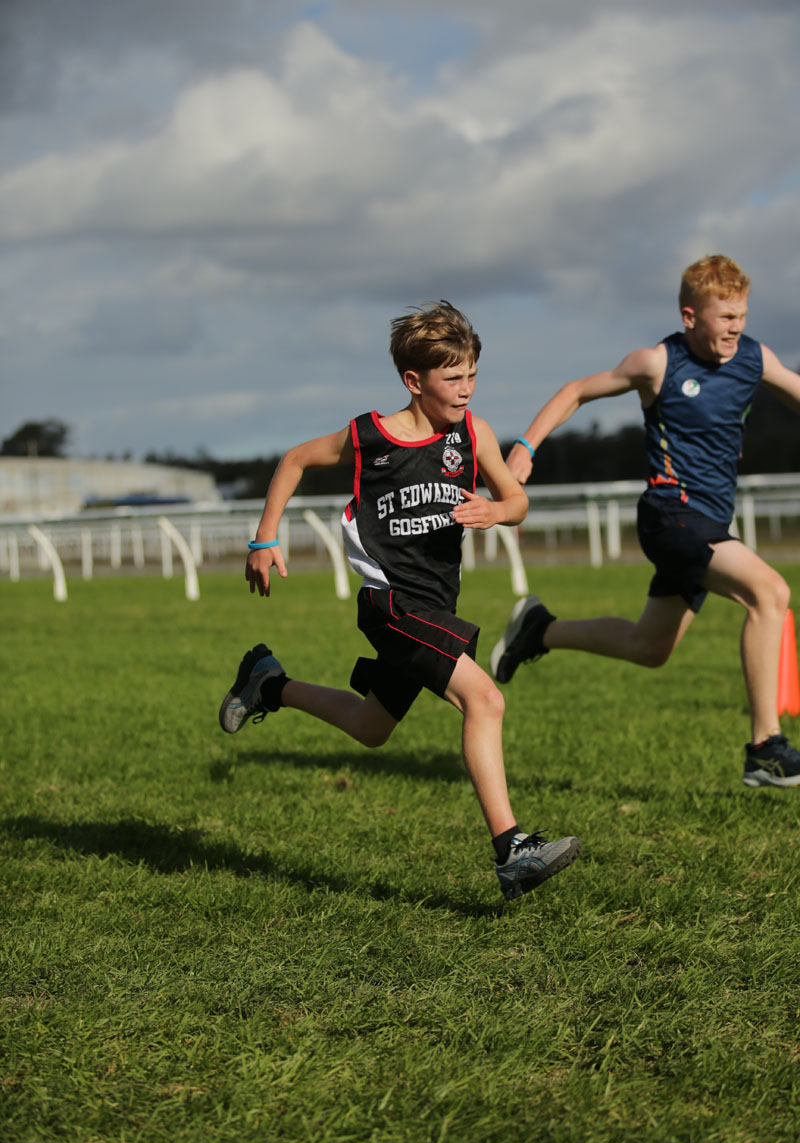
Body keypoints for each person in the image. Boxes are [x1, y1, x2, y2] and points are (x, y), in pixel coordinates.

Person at [218, 301, 581, 900]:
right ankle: (512, 850)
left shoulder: (474, 434)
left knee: (371, 728)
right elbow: (294, 460)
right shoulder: (368, 438)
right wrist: (264, 538)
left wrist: (496, 510)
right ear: (414, 381)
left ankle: (268, 683)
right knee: (485, 700)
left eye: (472, 375)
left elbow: (517, 501)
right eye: (452, 378)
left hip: (436, 607)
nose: (466, 389)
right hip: (391, 604)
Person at [491, 254, 800, 788]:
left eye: (743, 315)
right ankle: (764, 748)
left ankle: (539, 630)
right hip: (669, 514)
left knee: (650, 648)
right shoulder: (658, 363)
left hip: (710, 523)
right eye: (726, 317)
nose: (737, 327)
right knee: (770, 593)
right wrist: (525, 447)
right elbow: (576, 391)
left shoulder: (754, 358)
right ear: (690, 316)